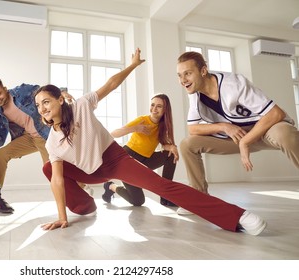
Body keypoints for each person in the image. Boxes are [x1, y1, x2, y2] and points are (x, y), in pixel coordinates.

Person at [34, 48, 266, 236]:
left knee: (161, 186)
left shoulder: (81, 106)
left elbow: (111, 84)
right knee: (48, 167)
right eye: (38, 105)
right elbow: (56, 178)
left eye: (46, 101)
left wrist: (133, 65)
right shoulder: (52, 142)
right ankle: (87, 205)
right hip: (90, 172)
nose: (42, 108)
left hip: (114, 159)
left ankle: (236, 216)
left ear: (60, 100)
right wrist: (62, 217)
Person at [176, 51, 299, 214]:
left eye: (188, 74)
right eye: (179, 75)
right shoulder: (195, 94)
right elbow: (193, 129)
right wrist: (224, 127)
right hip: (236, 136)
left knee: (285, 134)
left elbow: (276, 114)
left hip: (265, 128)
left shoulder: (232, 84)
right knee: (187, 144)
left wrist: (246, 141)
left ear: (203, 71)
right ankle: (200, 199)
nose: (183, 80)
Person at [0, 77, 93, 210]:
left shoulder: (21, 91)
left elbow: (44, 91)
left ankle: (83, 187)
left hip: (44, 134)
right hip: (28, 137)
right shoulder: (0, 114)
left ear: (4, 89)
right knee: (2, 154)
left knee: (52, 170)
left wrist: (61, 93)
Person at [102, 93, 179, 207]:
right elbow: (114, 133)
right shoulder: (142, 120)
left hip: (145, 160)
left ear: (165, 109)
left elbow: (163, 144)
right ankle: (110, 186)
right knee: (138, 201)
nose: (154, 109)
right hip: (128, 160)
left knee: (170, 155)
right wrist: (136, 128)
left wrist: (172, 147)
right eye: (152, 105)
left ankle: (166, 197)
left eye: (159, 106)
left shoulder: (163, 125)